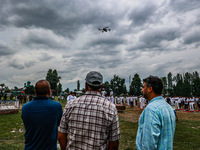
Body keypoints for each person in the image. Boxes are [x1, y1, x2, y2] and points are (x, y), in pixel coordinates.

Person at [58, 71, 120, 150]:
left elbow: (61, 136)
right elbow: (114, 143)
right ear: (102, 86)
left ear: (86, 85)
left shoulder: (70, 105)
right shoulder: (111, 108)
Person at [136, 76, 176, 150]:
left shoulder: (151, 109)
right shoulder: (168, 107)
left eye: (143, 87)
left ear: (150, 89)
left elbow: (149, 143)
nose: (142, 90)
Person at [22, 80, 63, 150]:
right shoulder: (56, 106)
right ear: (49, 92)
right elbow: (59, 123)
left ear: (35, 92)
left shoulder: (25, 107)